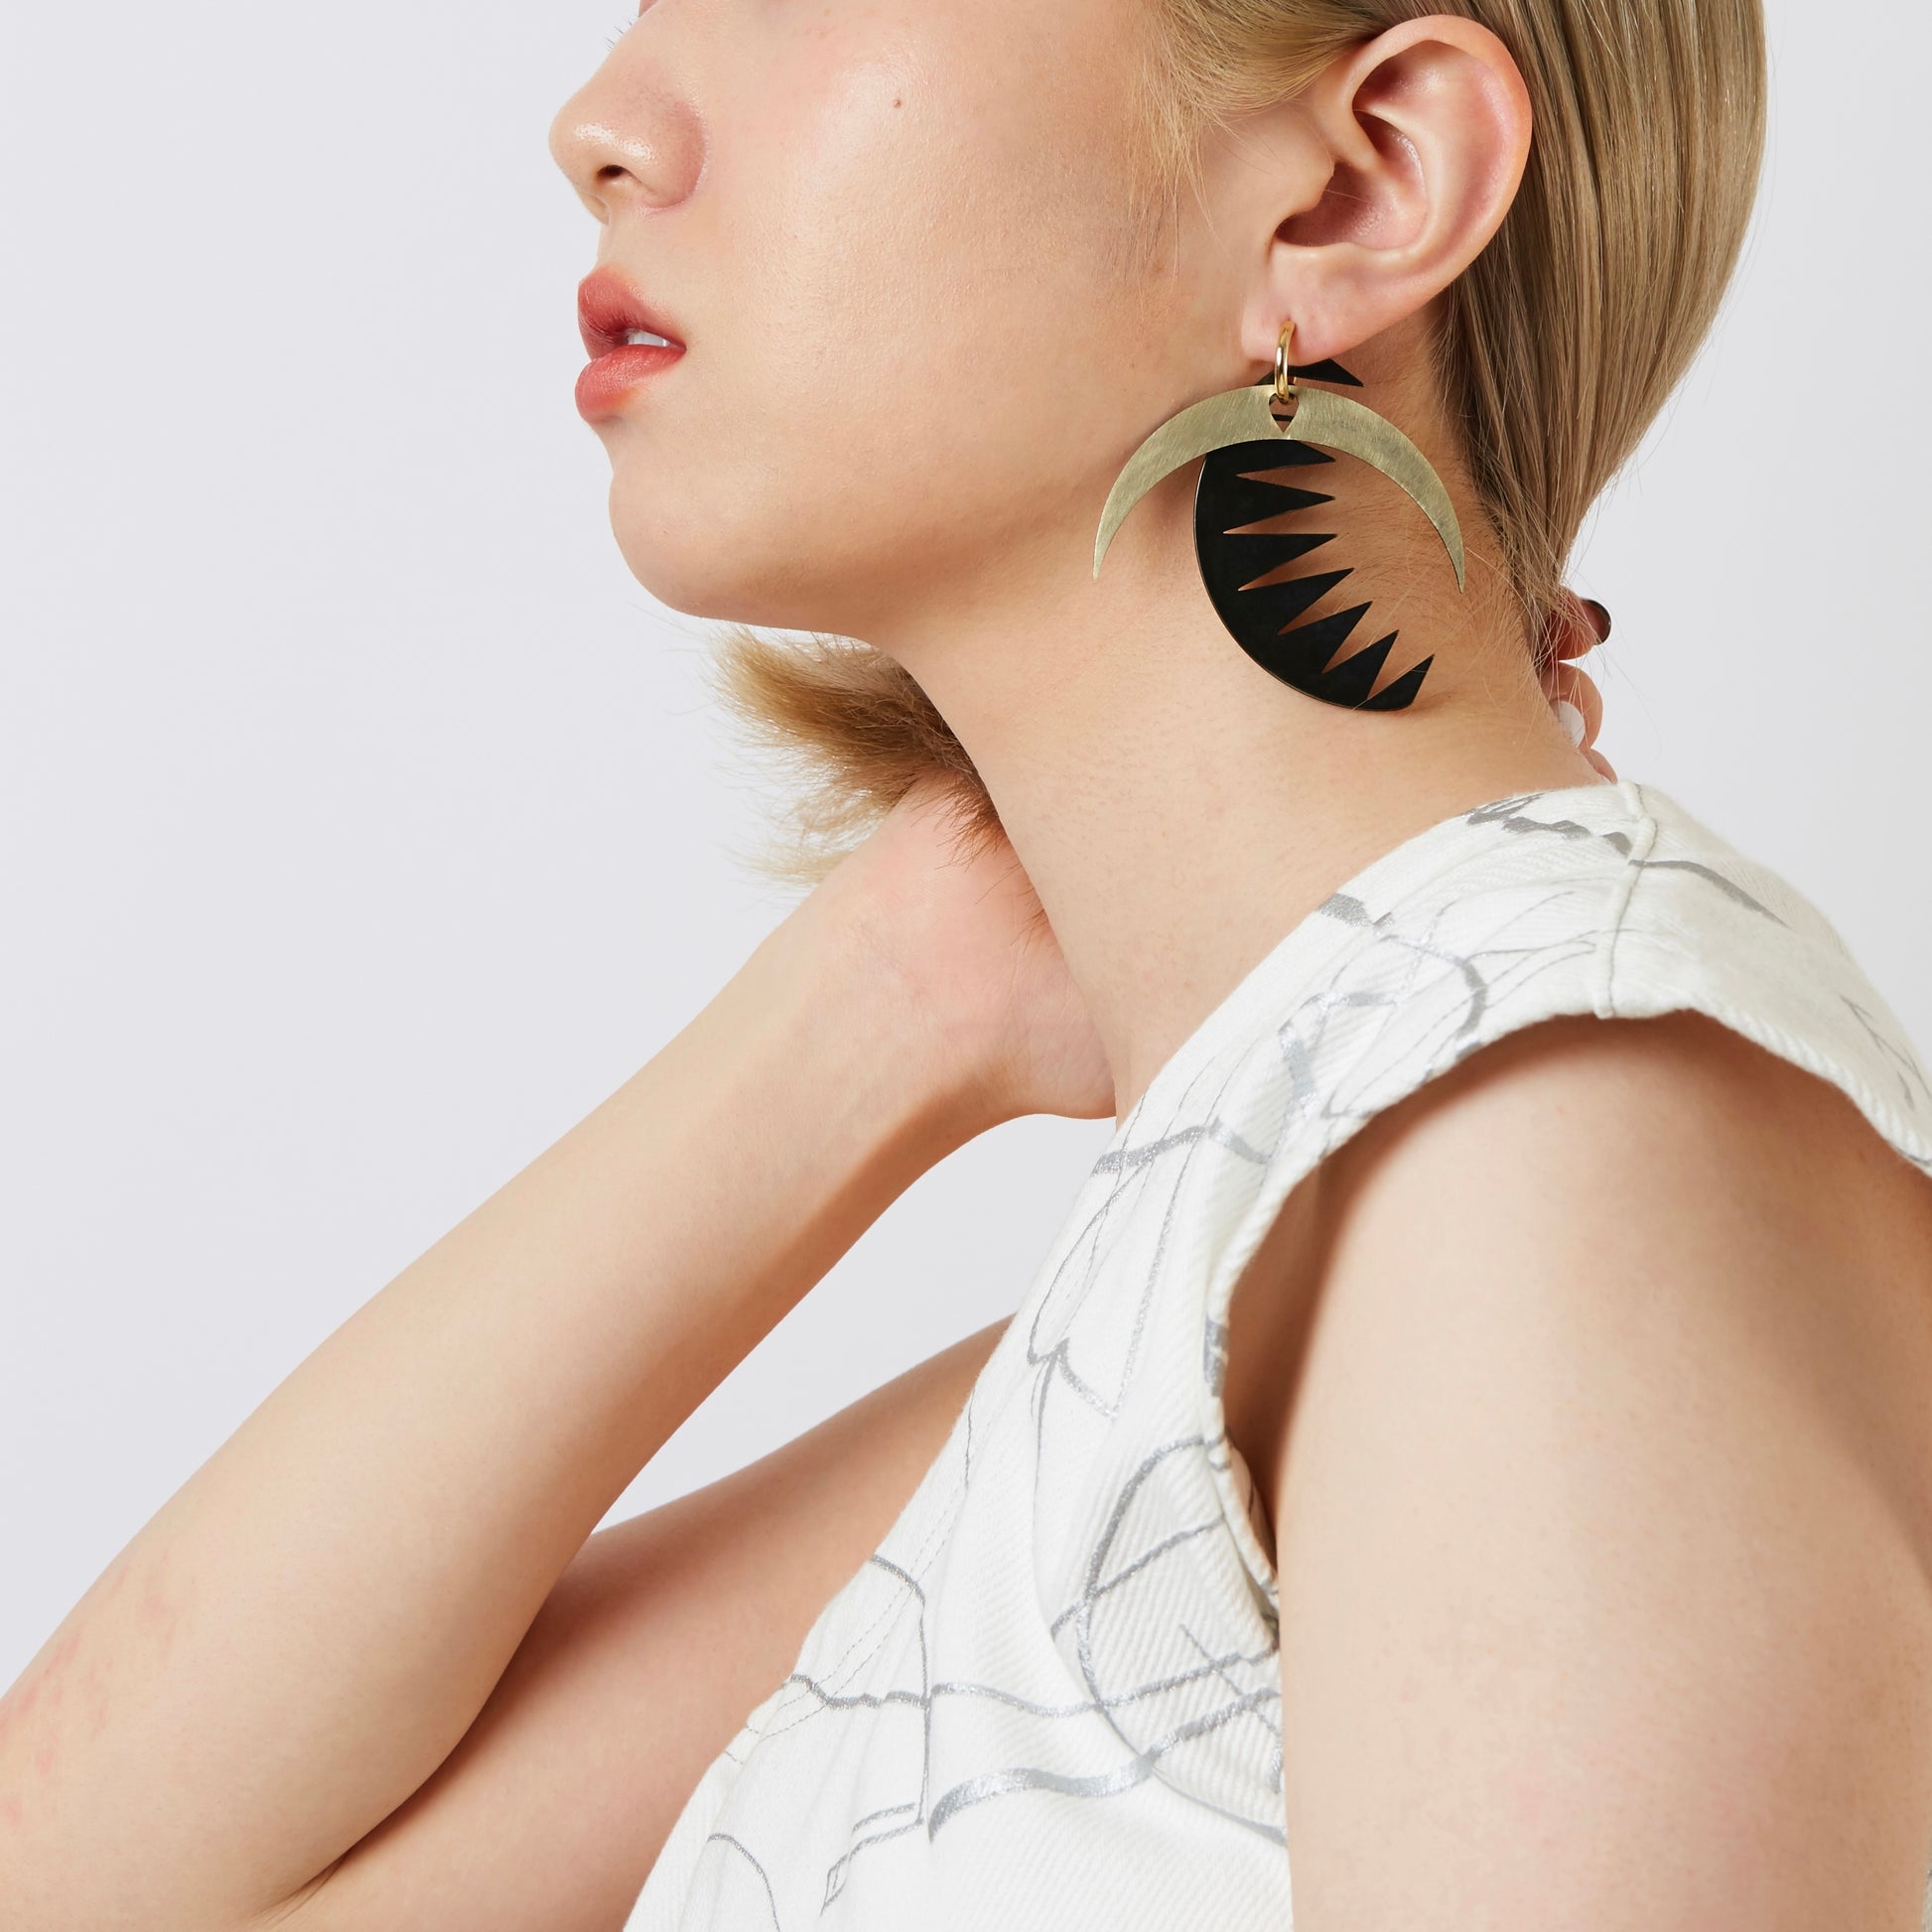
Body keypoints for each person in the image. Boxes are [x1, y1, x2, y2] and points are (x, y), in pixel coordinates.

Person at [7, 0, 1932, 1927]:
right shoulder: (1246, 1267)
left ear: (1358, 186)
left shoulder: (1551, 1159)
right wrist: (897, 989)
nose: (601, 121)